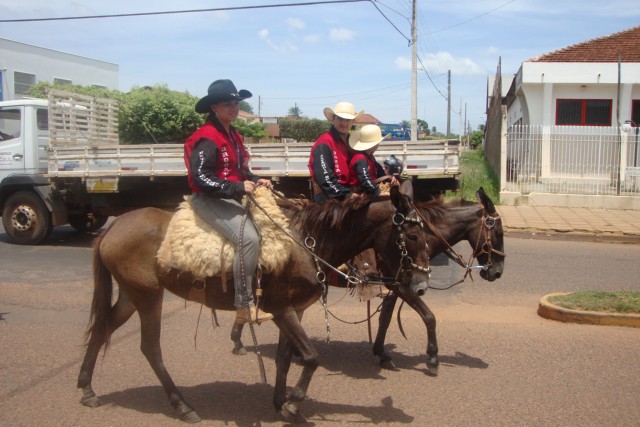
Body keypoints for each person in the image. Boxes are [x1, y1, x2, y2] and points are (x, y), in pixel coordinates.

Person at [183, 79, 273, 324]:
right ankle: (244, 305)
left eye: (236, 103)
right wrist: (236, 187)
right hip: (208, 199)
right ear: (214, 108)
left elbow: (240, 169)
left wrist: (256, 178)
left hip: (229, 196)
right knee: (249, 239)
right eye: (227, 104)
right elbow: (200, 177)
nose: (234, 108)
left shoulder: (233, 134)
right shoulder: (207, 137)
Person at [308, 102, 361, 203]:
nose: (344, 123)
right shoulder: (324, 143)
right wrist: (346, 195)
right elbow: (324, 177)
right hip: (329, 197)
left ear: (352, 122)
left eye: (348, 120)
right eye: (340, 119)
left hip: (348, 193)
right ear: (333, 120)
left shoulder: (352, 142)